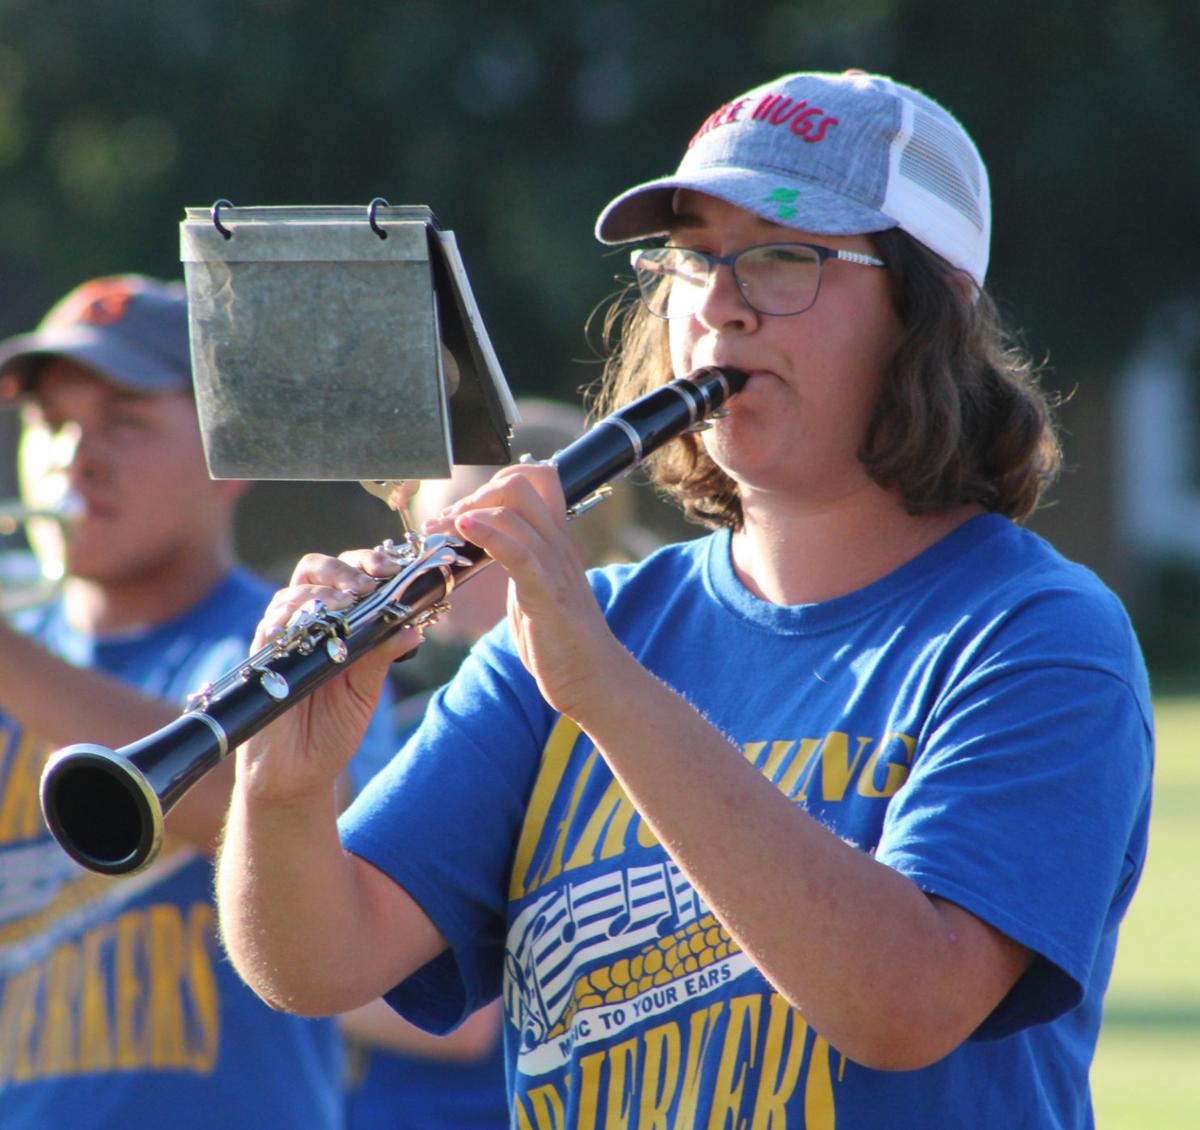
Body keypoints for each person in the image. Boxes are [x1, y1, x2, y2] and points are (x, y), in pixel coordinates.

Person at [215, 70, 1154, 1129]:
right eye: (692, 258)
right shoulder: (577, 634)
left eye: (785, 254)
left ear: (928, 306)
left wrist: (609, 691)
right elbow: (318, 962)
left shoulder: (1035, 634)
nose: (720, 302)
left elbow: (907, 1001)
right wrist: (283, 792)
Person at [0, 274, 396, 1127]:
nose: (73, 457)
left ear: (229, 459)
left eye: (125, 423)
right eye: (50, 424)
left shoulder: (292, 636)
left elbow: (265, 810)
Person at [342, 398, 660, 1130]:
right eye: (420, 533)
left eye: (463, 532)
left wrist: (249, 974)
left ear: (561, 548)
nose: (424, 560)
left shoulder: (599, 717)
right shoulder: (427, 714)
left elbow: (462, 1023)